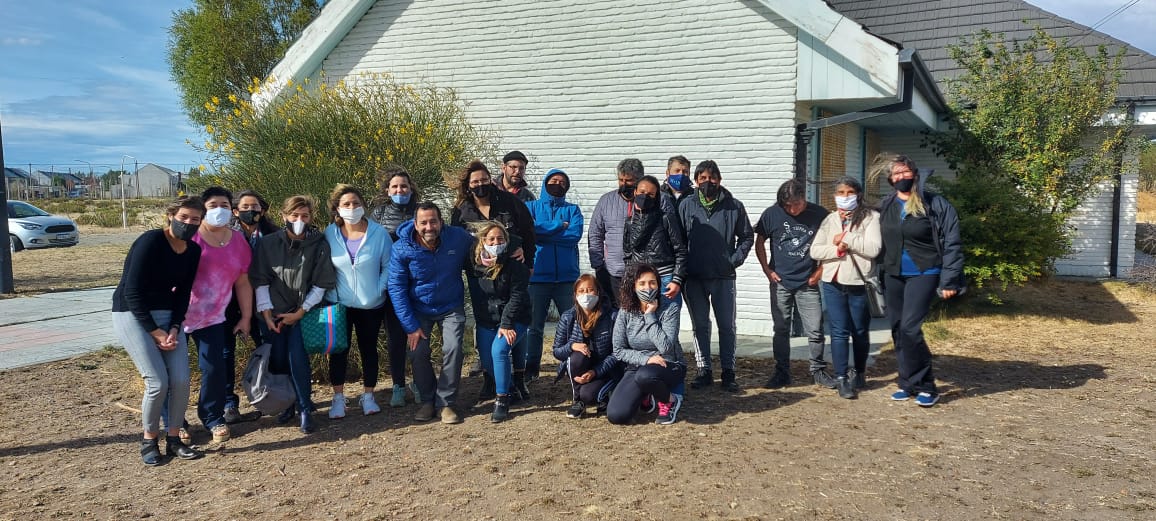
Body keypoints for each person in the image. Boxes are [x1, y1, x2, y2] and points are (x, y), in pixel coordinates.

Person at [111, 196, 205, 465]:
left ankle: (174, 439)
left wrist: (175, 326)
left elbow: (184, 292)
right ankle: (149, 439)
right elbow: (131, 290)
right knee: (157, 382)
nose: (188, 223)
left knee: (180, 380)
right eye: (184, 217)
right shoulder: (151, 241)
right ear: (171, 216)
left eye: (195, 219)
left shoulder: (193, 250)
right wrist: (155, 332)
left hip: (168, 316)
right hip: (132, 312)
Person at [875, 154, 964, 407]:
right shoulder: (887, 205)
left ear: (914, 173)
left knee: (910, 329)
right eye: (895, 174)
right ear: (890, 180)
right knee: (898, 330)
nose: (900, 177)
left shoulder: (934, 204)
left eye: (904, 172)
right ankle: (907, 383)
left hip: (924, 272)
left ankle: (927, 386)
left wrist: (949, 280)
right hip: (893, 274)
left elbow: (952, 244)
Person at [249, 195, 337, 434]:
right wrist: (267, 314)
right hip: (273, 314)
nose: (299, 220)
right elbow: (261, 281)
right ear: (284, 216)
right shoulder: (268, 244)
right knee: (278, 360)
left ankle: (305, 408)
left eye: (305, 216)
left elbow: (321, 284)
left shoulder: (318, 244)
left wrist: (300, 312)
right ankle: (287, 404)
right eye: (294, 215)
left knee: (297, 358)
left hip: (303, 312)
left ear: (311, 218)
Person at [451, 159, 536, 394]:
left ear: (491, 179)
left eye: (484, 179)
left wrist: (527, 259)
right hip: (479, 276)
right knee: (486, 320)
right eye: (475, 181)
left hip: (512, 271)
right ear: (468, 185)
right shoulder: (461, 210)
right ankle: (490, 378)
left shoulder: (509, 201)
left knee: (515, 316)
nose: (481, 184)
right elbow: (457, 242)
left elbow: (528, 232)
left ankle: (518, 378)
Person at [388, 202, 474, 424]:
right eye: (424, 222)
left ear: (441, 222)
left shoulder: (458, 237)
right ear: (415, 224)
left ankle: (445, 403)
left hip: (450, 306)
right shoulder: (401, 248)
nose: (429, 227)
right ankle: (427, 400)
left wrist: (516, 246)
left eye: (433, 221)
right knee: (418, 352)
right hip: (419, 310)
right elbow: (396, 288)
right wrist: (410, 326)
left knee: (453, 348)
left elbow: (486, 240)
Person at [182, 186, 253, 444]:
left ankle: (212, 417)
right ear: (202, 209)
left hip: (213, 318)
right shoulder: (190, 238)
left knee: (214, 368)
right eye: (213, 205)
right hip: (179, 316)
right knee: (175, 373)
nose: (219, 210)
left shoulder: (238, 241)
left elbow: (243, 282)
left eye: (224, 205)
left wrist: (246, 316)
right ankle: (176, 421)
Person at [678, 160, 754, 392]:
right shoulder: (686, 205)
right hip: (694, 278)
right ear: (696, 181)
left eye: (712, 178)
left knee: (727, 326)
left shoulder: (734, 207)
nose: (707, 182)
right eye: (702, 178)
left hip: (723, 277)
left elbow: (747, 237)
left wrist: (734, 260)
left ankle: (729, 372)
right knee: (700, 325)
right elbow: (678, 240)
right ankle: (704, 370)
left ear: (719, 180)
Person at [754, 179, 833, 389]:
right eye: (786, 206)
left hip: (807, 282)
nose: (790, 209)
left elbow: (833, 243)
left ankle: (818, 370)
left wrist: (820, 271)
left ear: (803, 198)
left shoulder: (820, 214)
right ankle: (781, 373)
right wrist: (767, 269)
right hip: (780, 282)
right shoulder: (772, 214)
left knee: (815, 329)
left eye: (794, 205)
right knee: (781, 328)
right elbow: (759, 241)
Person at [810, 177, 882, 399]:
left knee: (859, 331)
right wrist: (838, 251)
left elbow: (873, 248)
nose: (845, 197)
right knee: (839, 332)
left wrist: (847, 237)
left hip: (858, 283)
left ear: (858, 194)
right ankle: (841, 377)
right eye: (840, 192)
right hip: (833, 282)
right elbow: (815, 251)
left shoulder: (871, 217)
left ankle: (859, 372)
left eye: (849, 192)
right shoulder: (830, 219)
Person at [324, 184, 393, 419]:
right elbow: (324, 268)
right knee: (338, 351)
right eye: (346, 204)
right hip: (339, 304)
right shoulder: (329, 234)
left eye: (356, 203)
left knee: (368, 349)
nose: (352, 208)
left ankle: (369, 396)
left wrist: (378, 290)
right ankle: (338, 399)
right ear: (337, 209)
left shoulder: (378, 233)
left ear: (363, 206)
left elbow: (389, 265)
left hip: (370, 304)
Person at [222, 189, 280, 424]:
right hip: (229, 305)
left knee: (270, 348)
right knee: (225, 354)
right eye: (244, 208)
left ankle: (274, 397)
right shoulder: (226, 236)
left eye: (255, 207)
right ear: (235, 211)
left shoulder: (274, 235)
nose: (250, 212)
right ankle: (229, 404)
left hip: (264, 304)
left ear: (263, 210)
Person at [466, 222, 531, 422]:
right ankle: (512, 388)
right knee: (487, 360)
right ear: (483, 241)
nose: (495, 243)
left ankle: (501, 399)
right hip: (487, 319)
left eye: (500, 239)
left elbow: (517, 297)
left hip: (514, 318)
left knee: (499, 350)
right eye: (491, 239)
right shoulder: (475, 265)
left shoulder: (515, 264)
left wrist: (506, 324)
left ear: (506, 241)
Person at [589, 158, 677, 308]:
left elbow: (672, 235)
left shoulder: (661, 200)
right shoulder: (605, 201)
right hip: (614, 273)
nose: (624, 184)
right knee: (618, 318)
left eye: (629, 181)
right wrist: (598, 265)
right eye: (621, 180)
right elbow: (595, 234)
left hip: (648, 275)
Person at [606, 263, 687, 425]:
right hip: (638, 365)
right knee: (617, 415)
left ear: (658, 284)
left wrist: (650, 315)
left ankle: (670, 400)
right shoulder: (626, 311)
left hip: (668, 364)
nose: (648, 288)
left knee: (646, 375)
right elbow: (619, 350)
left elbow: (666, 347)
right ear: (633, 286)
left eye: (652, 282)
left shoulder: (670, 307)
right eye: (641, 283)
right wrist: (646, 359)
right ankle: (646, 395)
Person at [524, 168, 583, 382]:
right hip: (537, 278)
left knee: (572, 326)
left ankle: (571, 365)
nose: (557, 184)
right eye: (553, 180)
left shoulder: (573, 210)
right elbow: (529, 231)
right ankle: (531, 369)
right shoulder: (530, 207)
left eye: (562, 181)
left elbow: (573, 236)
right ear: (545, 183)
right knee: (534, 327)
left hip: (566, 279)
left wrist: (543, 234)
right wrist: (558, 225)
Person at [369, 166, 421, 407]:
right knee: (395, 337)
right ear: (388, 190)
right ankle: (398, 385)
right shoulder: (377, 215)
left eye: (404, 186)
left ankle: (420, 382)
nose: (400, 190)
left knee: (419, 335)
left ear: (411, 189)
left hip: (419, 284)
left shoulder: (421, 211)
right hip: (392, 284)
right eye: (395, 187)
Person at [552, 274, 620, 419]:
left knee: (589, 395)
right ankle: (577, 400)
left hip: (605, 369)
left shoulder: (613, 316)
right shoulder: (568, 317)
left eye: (590, 290)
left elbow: (617, 353)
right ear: (575, 295)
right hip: (581, 366)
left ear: (598, 292)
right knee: (577, 356)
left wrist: (595, 372)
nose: (586, 295)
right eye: (581, 291)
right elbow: (557, 351)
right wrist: (571, 346)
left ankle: (605, 392)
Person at [622, 174, 688, 316]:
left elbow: (681, 251)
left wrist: (676, 279)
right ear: (635, 192)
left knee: (668, 324)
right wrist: (631, 280)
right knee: (643, 324)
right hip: (641, 282)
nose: (645, 196)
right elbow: (627, 255)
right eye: (642, 192)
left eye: (651, 194)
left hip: (665, 280)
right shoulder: (629, 222)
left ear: (657, 196)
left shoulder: (665, 218)